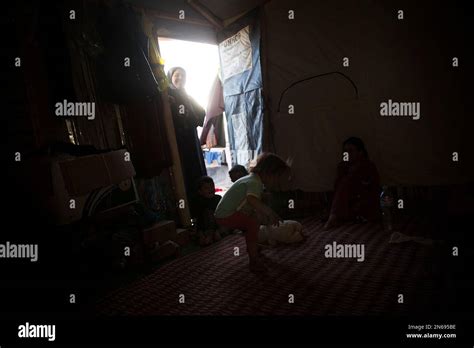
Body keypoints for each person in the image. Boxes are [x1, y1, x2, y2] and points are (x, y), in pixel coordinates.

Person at [215, 153, 291, 273]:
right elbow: (251, 199)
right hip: (226, 215)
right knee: (253, 223)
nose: (277, 183)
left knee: (254, 219)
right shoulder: (255, 183)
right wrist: (269, 212)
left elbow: (251, 204)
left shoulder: (252, 179)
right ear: (268, 173)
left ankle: (253, 245)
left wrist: (265, 213)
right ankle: (253, 260)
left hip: (225, 213)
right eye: (277, 178)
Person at [167, 67, 207, 213]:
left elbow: (201, 112)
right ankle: (188, 210)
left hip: (191, 139)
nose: (180, 78)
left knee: (195, 169)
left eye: (183, 76)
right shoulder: (167, 95)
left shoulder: (186, 95)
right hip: (178, 140)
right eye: (177, 75)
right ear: (170, 77)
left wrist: (191, 119)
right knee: (183, 172)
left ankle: (201, 206)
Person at [324, 137, 380, 230]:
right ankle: (335, 215)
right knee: (341, 185)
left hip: (363, 203)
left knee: (346, 183)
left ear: (360, 152)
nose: (347, 154)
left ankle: (334, 216)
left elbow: (371, 189)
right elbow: (337, 187)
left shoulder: (368, 166)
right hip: (347, 204)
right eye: (345, 151)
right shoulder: (342, 166)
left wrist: (354, 174)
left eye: (351, 151)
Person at [193, 176, 222, 246]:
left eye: (212, 186)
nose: (211, 189)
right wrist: (201, 233)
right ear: (200, 191)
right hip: (205, 228)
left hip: (218, 225)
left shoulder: (218, 198)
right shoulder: (199, 202)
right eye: (206, 188)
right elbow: (199, 219)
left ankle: (213, 234)